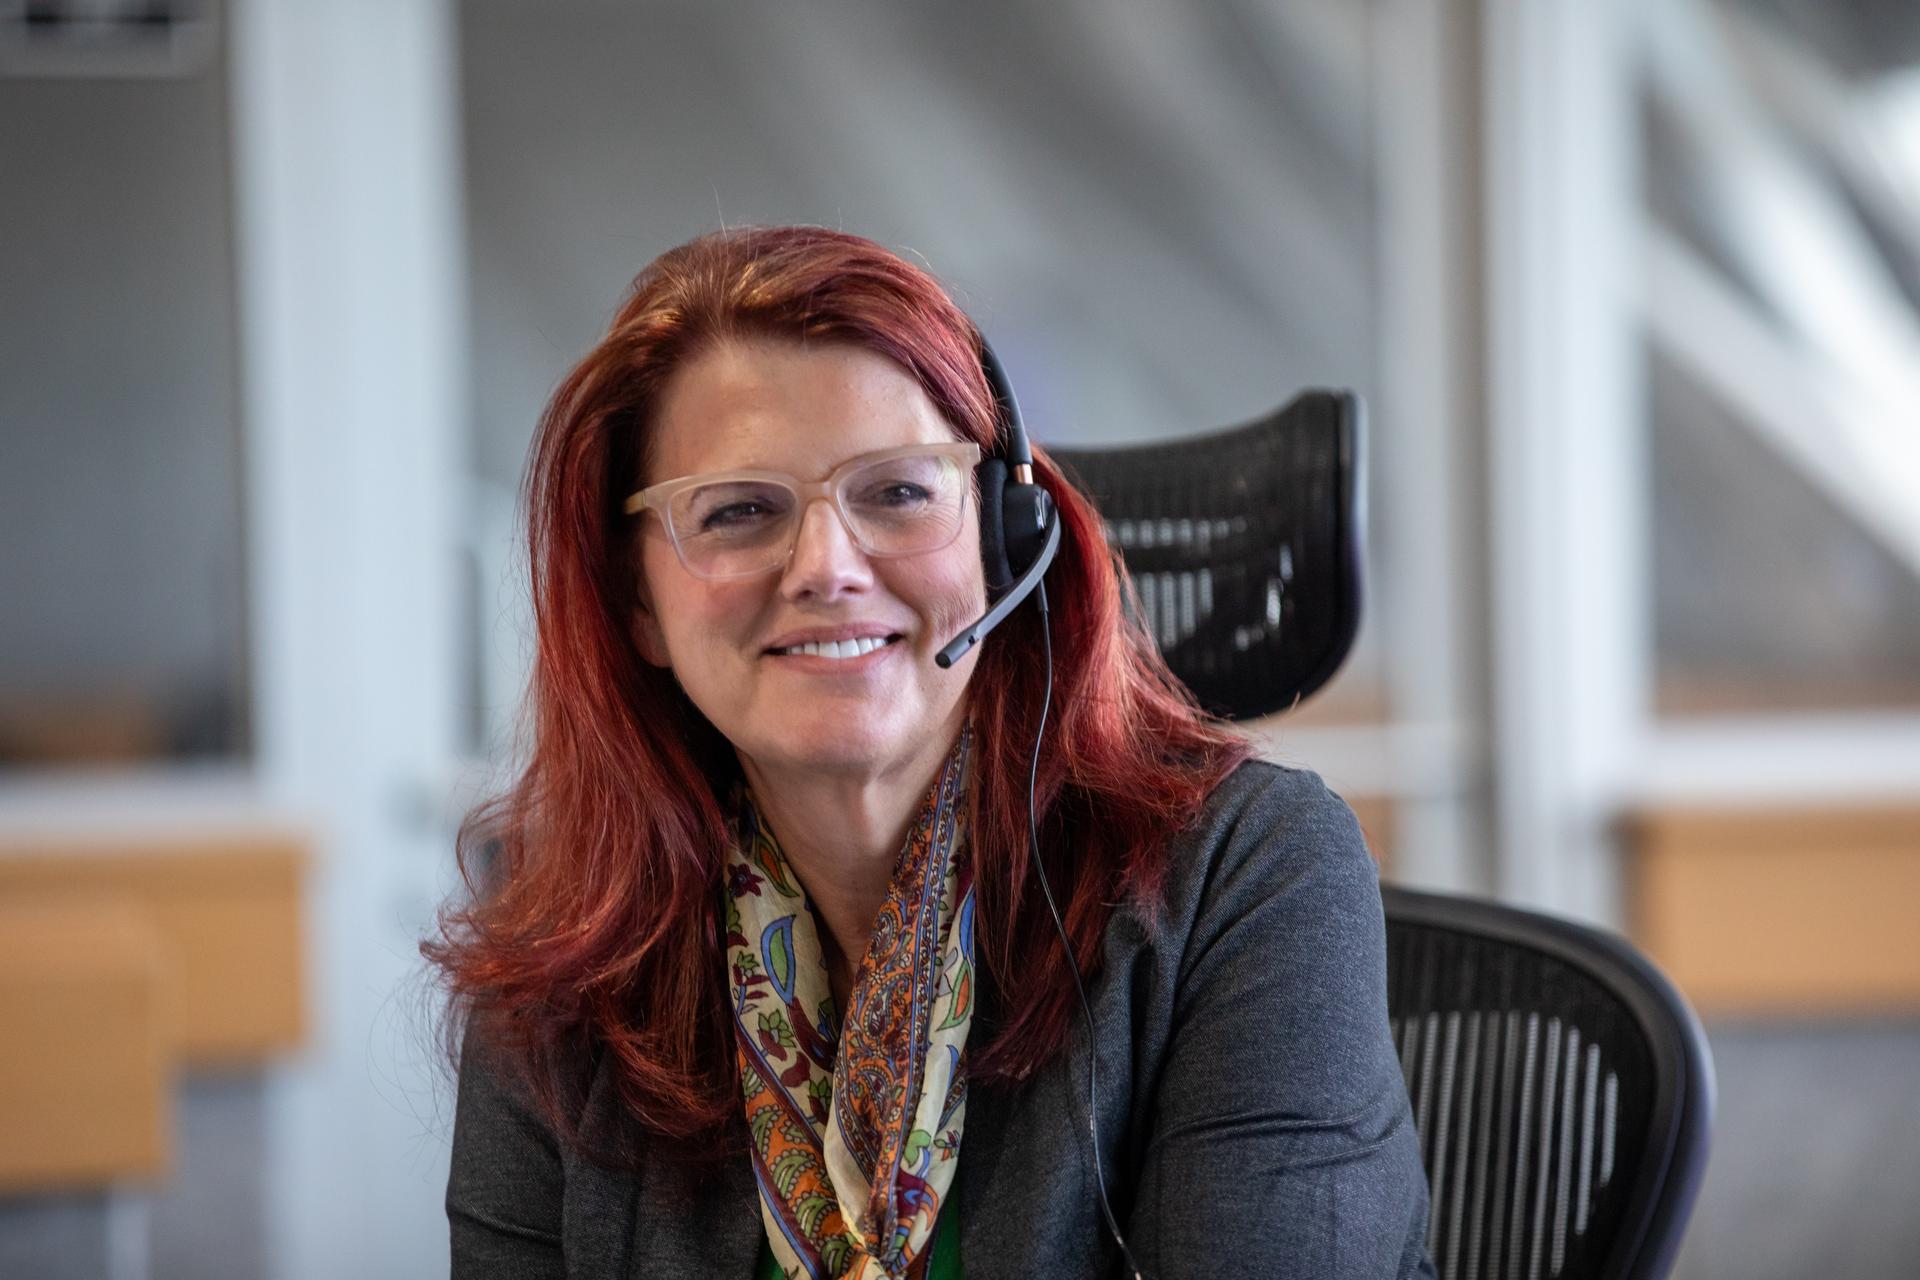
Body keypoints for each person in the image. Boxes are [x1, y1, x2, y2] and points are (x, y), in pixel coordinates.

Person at [426, 225, 1435, 1279]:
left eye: (899, 491)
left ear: (1004, 538)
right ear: (638, 600)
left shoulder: (1253, 871)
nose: (824, 565)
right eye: (737, 512)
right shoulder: (570, 947)